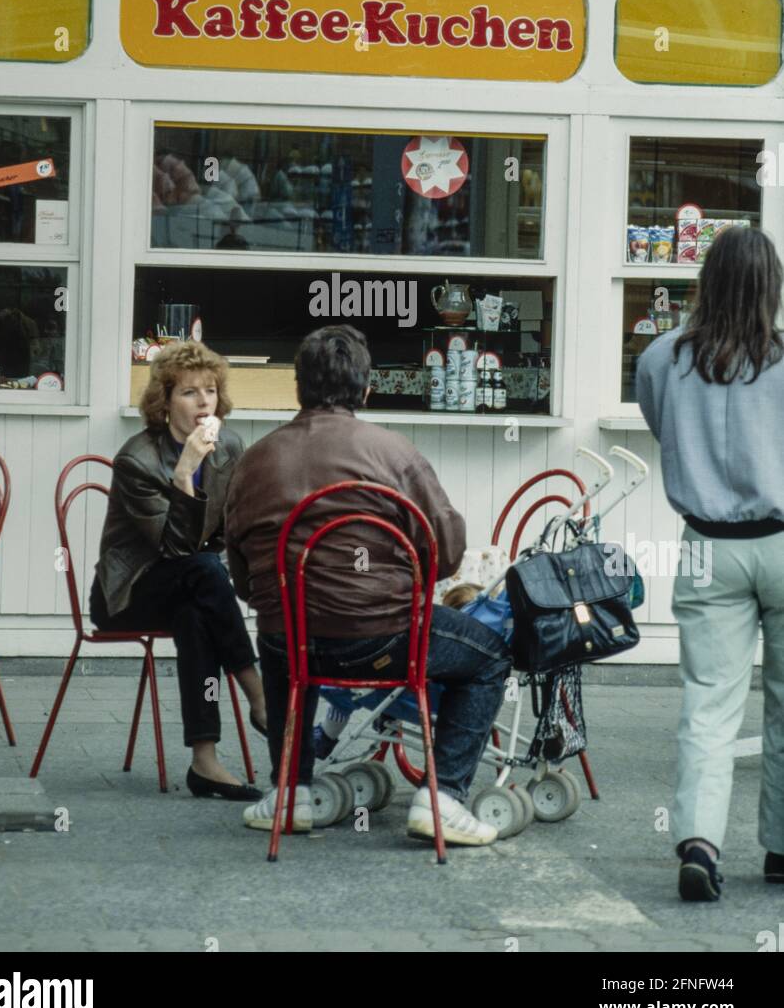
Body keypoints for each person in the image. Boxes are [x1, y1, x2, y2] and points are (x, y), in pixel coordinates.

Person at [225, 324, 511, 845]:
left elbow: (242, 575)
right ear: (365, 388)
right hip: (385, 640)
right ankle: (442, 796)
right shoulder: (393, 452)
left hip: (291, 647)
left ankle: (290, 792)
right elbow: (445, 553)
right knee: (490, 654)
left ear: (298, 387)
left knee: (284, 635)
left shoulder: (253, 460)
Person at [636, 226, 784, 901]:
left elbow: (660, 424)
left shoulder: (663, 357)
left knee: (709, 705)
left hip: (705, 545)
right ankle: (781, 848)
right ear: (772, 289)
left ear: (706, 282)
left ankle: (699, 840)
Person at [89, 342, 266, 801]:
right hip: (130, 592)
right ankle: (259, 696)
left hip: (193, 584)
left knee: (197, 613)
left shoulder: (228, 446)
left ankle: (204, 761)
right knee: (202, 575)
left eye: (210, 390)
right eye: (189, 392)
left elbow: (230, 533)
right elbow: (175, 548)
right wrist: (186, 471)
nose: (204, 401)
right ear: (164, 402)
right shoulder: (137, 460)